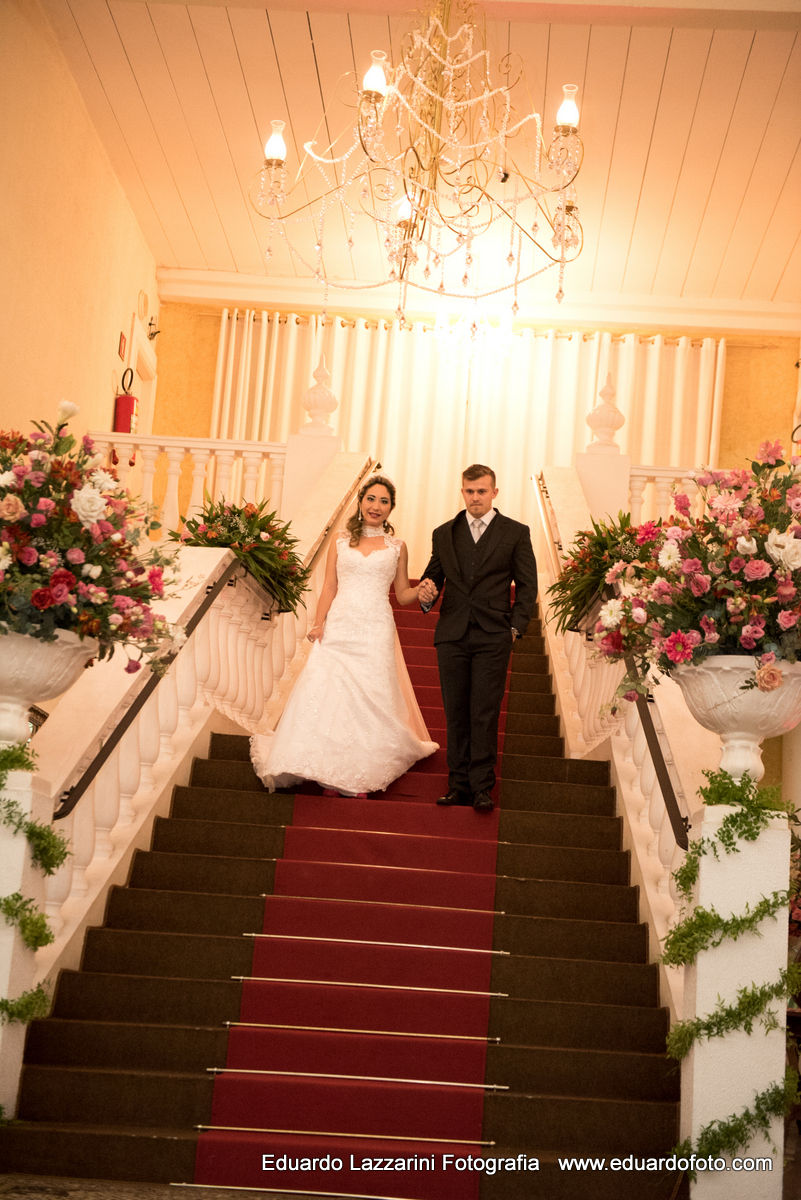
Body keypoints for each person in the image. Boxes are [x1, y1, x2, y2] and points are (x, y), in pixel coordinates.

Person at [250, 475, 437, 797]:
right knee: (328, 693)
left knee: (370, 696)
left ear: (391, 508)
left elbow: (402, 594)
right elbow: (330, 588)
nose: (376, 506)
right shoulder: (339, 541)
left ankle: (359, 772)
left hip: (376, 626)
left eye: (384, 501)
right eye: (371, 499)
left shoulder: (397, 547)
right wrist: (319, 623)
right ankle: (323, 765)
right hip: (341, 623)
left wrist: (420, 591)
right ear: (361, 501)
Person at [418, 464, 538, 812]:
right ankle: (457, 786)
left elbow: (528, 585)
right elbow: (433, 578)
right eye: (469, 491)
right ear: (462, 492)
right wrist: (426, 593)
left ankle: (482, 786)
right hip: (452, 634)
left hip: (493, 634)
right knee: (456, 713)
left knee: (483, 712)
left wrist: (514, 627)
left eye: (482, 491)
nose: (475, 497)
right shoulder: (444, 533)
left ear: (494, 493)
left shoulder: (515, 532)